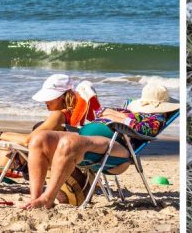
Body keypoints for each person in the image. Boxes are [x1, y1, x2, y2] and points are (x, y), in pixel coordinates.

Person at [23, 83, 178, 209]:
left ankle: (47, 198)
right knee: (39, 138)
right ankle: (35, 199)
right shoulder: (130, 110)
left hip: (117, 148)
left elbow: (141, 130)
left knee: (69, 142)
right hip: (86, 138)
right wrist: (119, 115)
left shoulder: (156, 118)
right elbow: (100, 113)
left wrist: (118, 116)